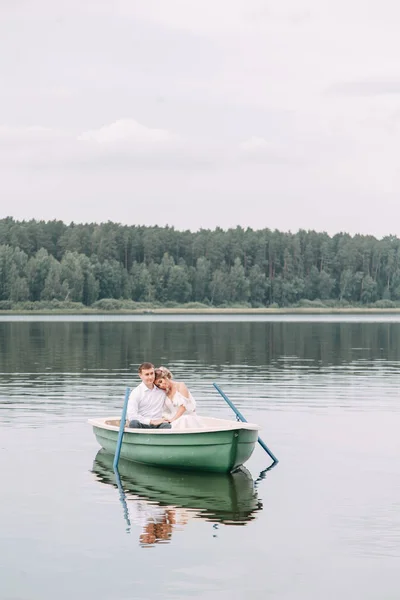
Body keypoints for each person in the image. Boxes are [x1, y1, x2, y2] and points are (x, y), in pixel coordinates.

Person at [127, 362, 171, 429]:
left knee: (167, 426)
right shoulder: (136, 393)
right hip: (142, 423)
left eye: (151, 373)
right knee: (134, 423)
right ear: (140, 375)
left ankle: (161, 439)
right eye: (147, 374)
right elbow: (131, 415)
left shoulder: (162, 390)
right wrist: (151, 421)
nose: (150, 377)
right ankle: (137, 439)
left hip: (158, 424)